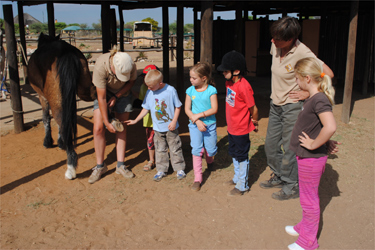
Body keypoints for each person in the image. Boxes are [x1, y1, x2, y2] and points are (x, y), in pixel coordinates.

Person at [260, 16, 337, 200]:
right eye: (273, 36)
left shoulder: (303, 52)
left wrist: (307, 93)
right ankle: (279, 175)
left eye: (277, 38)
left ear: (291, 39)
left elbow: (328, 74)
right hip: (275, 104)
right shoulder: (275, 45)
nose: (273, 41)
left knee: (290, 147)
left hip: (292, 107)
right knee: (270, 146)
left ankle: (291, 184)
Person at [286, 57, 337, 250]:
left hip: (311, 158)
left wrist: (315, 144)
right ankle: (304, 227)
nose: (296, 82)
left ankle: (308, 241)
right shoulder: (313, 98)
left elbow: (330, 125)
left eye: (297, 78)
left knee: (309, 200)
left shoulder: (319, 99)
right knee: (307, 196)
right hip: (306, 157)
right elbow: (319, 126)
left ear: (307, 78)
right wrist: (325, 142)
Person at [125, 69, 186, 181]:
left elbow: (178, 106)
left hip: (171, 127)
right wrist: (136, 120)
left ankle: (179, 169)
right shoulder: (150, 92)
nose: (149, 88)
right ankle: (162, 169)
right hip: (157, 128)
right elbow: (145, 108)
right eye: (148, 86)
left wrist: (174, 121)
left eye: (151, 86)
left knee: (175, 148)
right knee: (160, 149)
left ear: (160, 83)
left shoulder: (170, 90)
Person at [88, 47, 137, 184]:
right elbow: (101, 97)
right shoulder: (100, 66)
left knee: (121, 127)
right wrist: (107, 122)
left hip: (122, 93)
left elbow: (131, 82)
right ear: (112, 66)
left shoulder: (130, 64)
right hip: (104, 93)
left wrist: (117, 95)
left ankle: (120, 165)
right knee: (98, 128)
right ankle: (100, 166)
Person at [217, 50, 259, 196]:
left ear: (236, 71)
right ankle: (237, 178)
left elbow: (253, 107)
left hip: (241, 128)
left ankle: (243, 185)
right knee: (234, 153)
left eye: (225, 70)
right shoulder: (228, 83)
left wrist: (255, 121)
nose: (223, 73)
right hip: (232, 127)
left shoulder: (244, 86)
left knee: (242, 156)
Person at [185, 62, 218, 192]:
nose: (191, 80)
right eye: (190, 77)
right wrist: (196, 120)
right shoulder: (190, 90)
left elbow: (214, 109)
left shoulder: (211, 90)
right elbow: (187, 109)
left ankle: (210, 161)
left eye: (194, 78)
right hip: (194, 125)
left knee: (210, 150)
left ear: (204, 78)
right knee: (197, 149)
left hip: (209, 125)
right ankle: (197, 178)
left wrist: (199, 115)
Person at [138, 65, 160, 172]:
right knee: (150, 140)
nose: (145, 80)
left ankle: (161, 160)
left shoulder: (165, 89)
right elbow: (143, 103)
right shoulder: (143, 88)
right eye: (144, 77)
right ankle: (151, 160)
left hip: (161, 121)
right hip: (149, 120)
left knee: (161, 140)